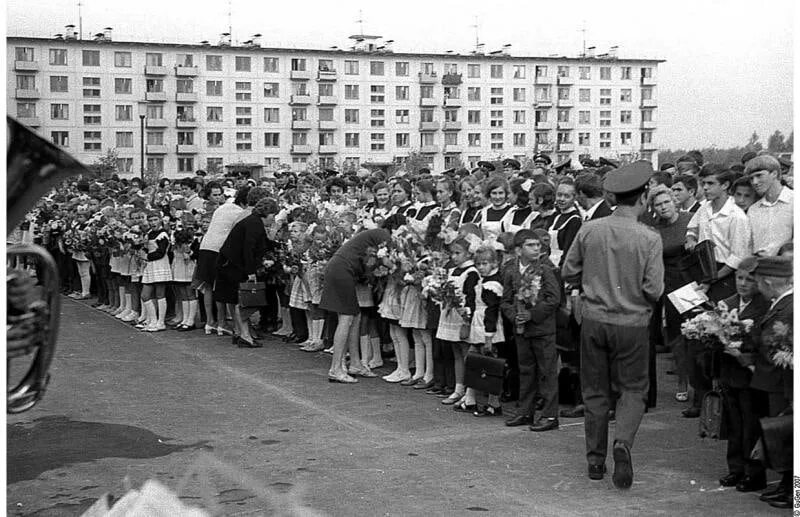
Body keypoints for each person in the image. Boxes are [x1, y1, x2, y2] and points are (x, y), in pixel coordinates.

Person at [562, 160, 664, 489]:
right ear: (644, 196)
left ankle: (595, 460)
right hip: (633, 323)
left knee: (594, 390)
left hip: (593, 319)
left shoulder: (590, 229)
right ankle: (622, 443)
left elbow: (567, 271)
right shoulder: (649, 237)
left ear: (613, 198)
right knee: (633, 389)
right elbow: (654, 289)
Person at [715, 257, 769, 491]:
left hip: (749, 375)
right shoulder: (726, 303)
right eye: (739, 278)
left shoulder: (764, 306)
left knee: (751, 424)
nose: (743, 283)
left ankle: (753, 472)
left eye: (749, 279)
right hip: (729, 372)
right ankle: (735, 468)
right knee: (734, 423)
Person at [501, 229, 561, 431]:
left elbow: (554, 299)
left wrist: (532, 314)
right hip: (521, 330)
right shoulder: (511, 270)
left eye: (538, 245)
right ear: (518, 250)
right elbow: (506, 300)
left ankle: (550, 415)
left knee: (547, 372)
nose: (537, 248)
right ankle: (525, 411)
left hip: (542, 330)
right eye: (531, 245)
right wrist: (513, 315)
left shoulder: (545, 270)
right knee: (526, 371)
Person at [320, 227, 392, 383]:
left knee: (356, 315)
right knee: (346, 318)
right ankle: (335, 368)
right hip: (343, 270)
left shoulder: (370, 237)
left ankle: (355, 363)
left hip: (341, 269)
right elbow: (386, 260)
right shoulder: (384, 235)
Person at [749, 256, 793, 508]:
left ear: (767, 282)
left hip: (781, 382)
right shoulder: (783, 303)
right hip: (776, 381)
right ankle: (787, 487)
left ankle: (793, 493)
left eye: (758, 281)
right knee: (784, 438)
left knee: (787, 438)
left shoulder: (788, 307)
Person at [648, 186, 695, 404]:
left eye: (666, 202)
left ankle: (700, 383)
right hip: (661, 280)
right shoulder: (653, 228)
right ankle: (682, 383)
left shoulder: (691, 219)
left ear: (674, 201)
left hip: (688, 282)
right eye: (658, 204)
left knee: (693, 332)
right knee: (674, 335)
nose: (663, 207)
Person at [215, 197, 278, 348]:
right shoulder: (254, 224)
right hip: (234, 265)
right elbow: (248, 250)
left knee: (240, 299)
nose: (273, 218)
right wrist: (251, 272)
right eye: (273, 215)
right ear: (266, 213)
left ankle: (242, 333)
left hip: (230, 263)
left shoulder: (253, 222)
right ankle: (244, 335)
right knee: (243, 299)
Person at [685, 165, 751, 302]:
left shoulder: (737, 216)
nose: (705, 188)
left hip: (723, 275)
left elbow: (737, 257)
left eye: (710, 183)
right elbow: (692, 228)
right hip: (701, 268)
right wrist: (691, 239)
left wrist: (712, 278)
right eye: (703, 183)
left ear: (725, 185)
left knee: (718, 317)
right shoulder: (704, 208)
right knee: (692, 315)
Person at [195, 186, 249, 335]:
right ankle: (222, 323)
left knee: (208, 287)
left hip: (206, 247)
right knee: (219, 287)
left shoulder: (224, 207)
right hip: (218, 250)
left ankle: (210, 322)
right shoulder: (240, 212)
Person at [745, 155, 794, 257]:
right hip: (760, 268)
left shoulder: (794, 202)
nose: (754, 182)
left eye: (759, 176)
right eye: (751, 178)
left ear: (774, 174)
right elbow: (748, 246)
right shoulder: (753, 210)